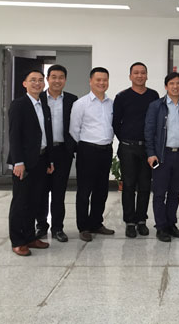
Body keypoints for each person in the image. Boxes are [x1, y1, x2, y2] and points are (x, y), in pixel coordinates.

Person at [7, 69, 54, 256]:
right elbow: (14, 136)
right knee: (20, 202)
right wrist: (18, 162)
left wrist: (49, 160)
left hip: (41, 160)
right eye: (33, 80)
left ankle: (30, 237)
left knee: (35, 201)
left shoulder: (44, 105)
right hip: (24, 163)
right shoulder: (18, 105)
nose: (37, 83)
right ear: (24, 83)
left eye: (40, 80)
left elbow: (47, 135)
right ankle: (18, 241)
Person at [113, 62, 159, 238]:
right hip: (128, 148)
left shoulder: (153, 95)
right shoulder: (122, 96)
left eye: (143, 73)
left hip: (147, 148)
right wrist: (126, 139)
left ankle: (141, 220)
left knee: (145, 185)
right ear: (130, 76)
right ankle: (130, 222)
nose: (140, 76)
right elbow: (116, 123)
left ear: (147, 75)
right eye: (136, 73)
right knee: (129, 185)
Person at [70, 67, 115, 242]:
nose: (102, 83)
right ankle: (83, 227)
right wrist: (85, 146)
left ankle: (96, 222)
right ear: (90, 81)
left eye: (105, 80)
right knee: (84, 190)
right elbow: (74, 130)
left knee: (101, 190)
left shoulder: (111, 104)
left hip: (106, 150)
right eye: (98, 80)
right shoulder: (81, 104)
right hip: (87, 151)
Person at [36, 65, 78, 243]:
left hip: (62, 151)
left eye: (61, 77)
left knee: (59, 192)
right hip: (42, 151)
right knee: (41, 190)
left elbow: (76, 124)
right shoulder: (38, 98)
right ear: (47, 79)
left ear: (65, 80)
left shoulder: (72, 100)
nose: (57, 80)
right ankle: (41, 226)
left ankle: (58, 228)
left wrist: (72, 147)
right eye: (53, 77)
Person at [145, 72, 179, 242]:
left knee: (175, 193)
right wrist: (151, 153)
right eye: (171, 83)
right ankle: (161, 227)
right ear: (166, 86)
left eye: (178, 83)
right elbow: (149, 131)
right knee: (159, 193)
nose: (175, 86)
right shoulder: (156, 106)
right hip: (162, 156)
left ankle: (171, 224)